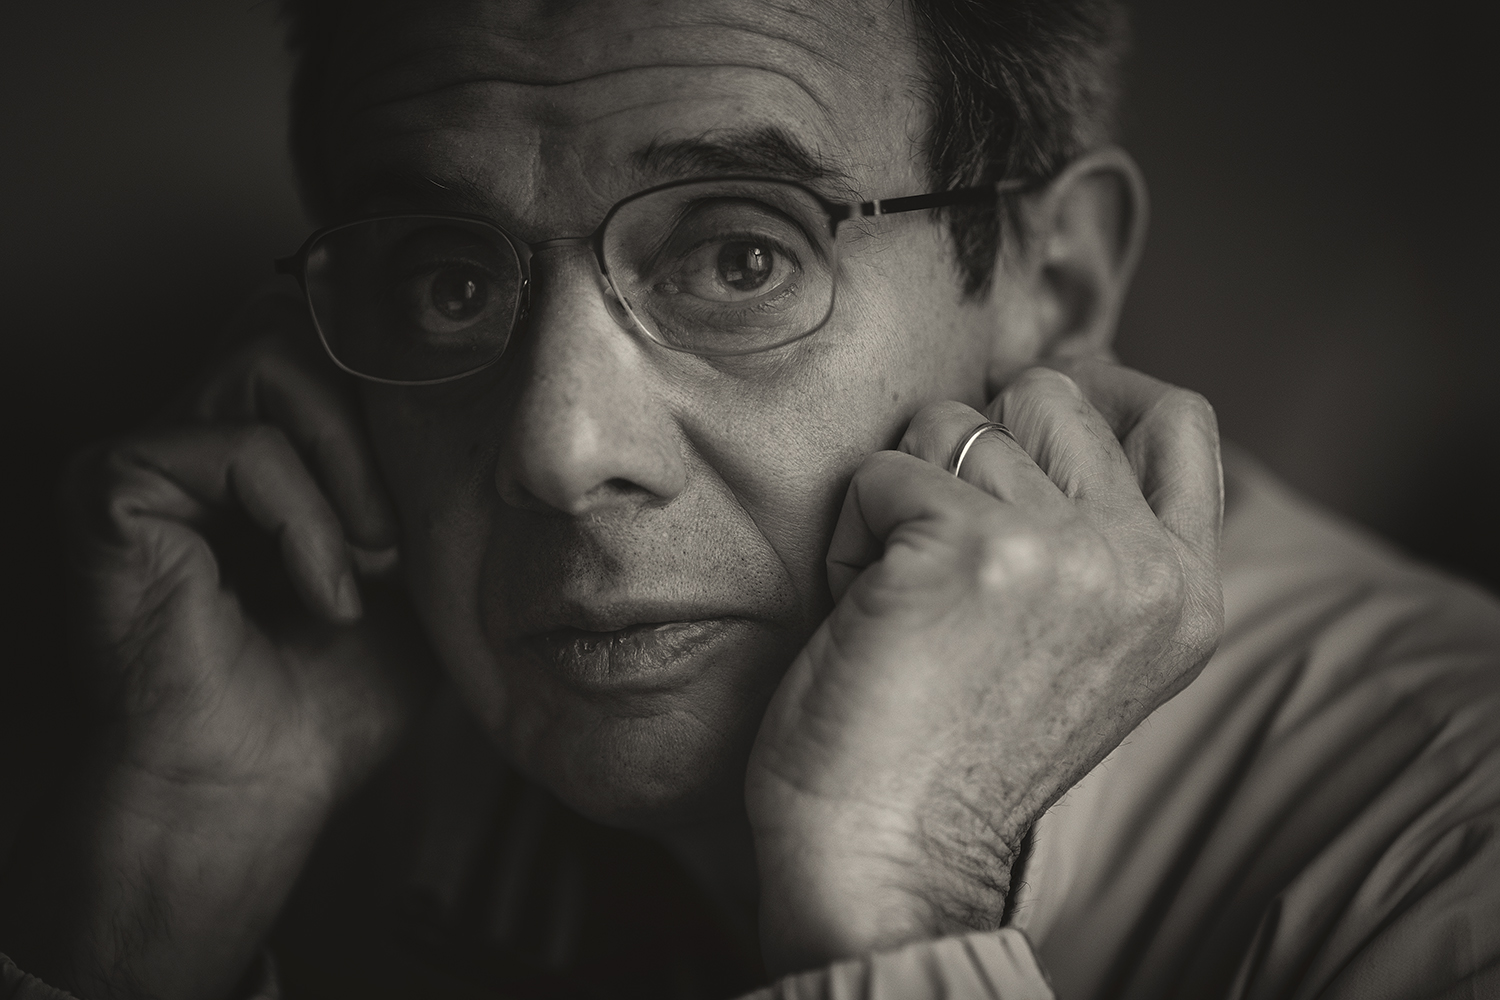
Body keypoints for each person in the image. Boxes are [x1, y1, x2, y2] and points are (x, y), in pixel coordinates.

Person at [2, 0, 1498, 997]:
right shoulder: (312, 734)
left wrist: (898, 901)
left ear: (1055, 281)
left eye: (740, 258)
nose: (559, 450)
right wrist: (168, 874)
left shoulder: (1449, 864)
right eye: (449, 282)